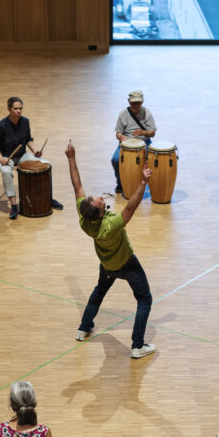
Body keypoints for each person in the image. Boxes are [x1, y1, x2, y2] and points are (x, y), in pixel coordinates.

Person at [67, 141, 156, 359]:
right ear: (100, 212)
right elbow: (130, 207)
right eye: (97, 200)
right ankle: (137, 345)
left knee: (99, 292)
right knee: (145, 299)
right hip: (127, 265)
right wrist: (143, 182)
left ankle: (84, 327)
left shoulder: (85, 219)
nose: (96, 196)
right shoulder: (110, 225)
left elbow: (77, 186)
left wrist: (71, 159)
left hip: (107, 266)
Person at [0, 97, 65, 219]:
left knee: (46, 164)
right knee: (6, 171)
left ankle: (48, 198)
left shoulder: (25, 122)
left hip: (21, 155)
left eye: (20, 108)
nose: (19, 111)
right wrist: (1, 158)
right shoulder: (2, 125)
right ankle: (14, 206)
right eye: (15, 108)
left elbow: (28, 139)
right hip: (5, 157)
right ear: (9, 109)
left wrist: (35, 151)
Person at [110, 90, 157, 196]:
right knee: (115, 160)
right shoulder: (123, 113)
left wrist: (142, 132)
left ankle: (151, 183)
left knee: (154, 159)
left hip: (144, 142)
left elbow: (152, 133)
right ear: (129, 102)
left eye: (138, 103)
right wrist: (121, 137)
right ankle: (120, 183)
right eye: (133, 102)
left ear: (142, 102)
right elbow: (118, 133)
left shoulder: (146, 112)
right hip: (127, 144)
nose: (136, 105)